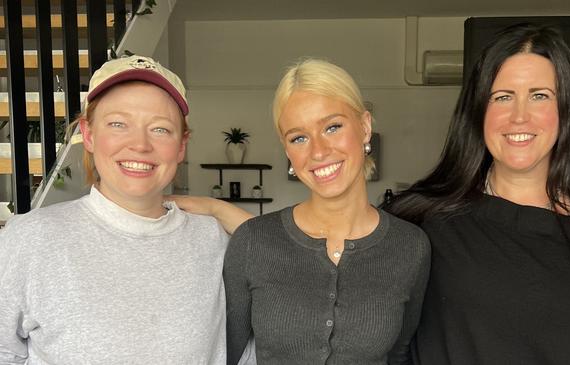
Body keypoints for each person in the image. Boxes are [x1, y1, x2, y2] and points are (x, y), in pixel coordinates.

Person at [384, 23, 570, 364]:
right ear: (479, 110)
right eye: (503, 97)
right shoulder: (422, 223)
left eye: (539, 95)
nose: (519, 116)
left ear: (566, 110)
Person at [177, 59, 430, 365]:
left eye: (332, 127)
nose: (318, 152)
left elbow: (401, 355)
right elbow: (223, 354)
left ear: (365, 127)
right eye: (299, 138)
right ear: (288, 151)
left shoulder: (410, 246)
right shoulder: (254, 242)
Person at [0, 55, 243, 364]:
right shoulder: (31, 238)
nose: (140, 144)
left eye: (160, 129)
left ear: (181, 145)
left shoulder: (212, 239)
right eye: (118, 124)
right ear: (88, 135)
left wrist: (219, 210)